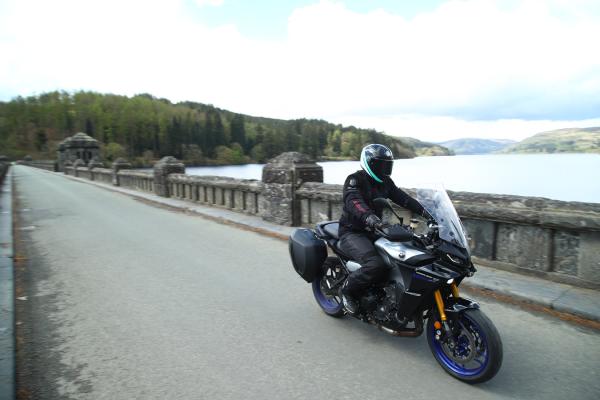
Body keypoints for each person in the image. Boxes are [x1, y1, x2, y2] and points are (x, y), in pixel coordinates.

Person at [338, 143, 431, 314]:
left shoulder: (385, 182)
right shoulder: (355, 180)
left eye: (387, 165)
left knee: (403, 256)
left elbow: (403, 199)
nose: (384, 168)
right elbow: (354, 202)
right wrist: (371, 218)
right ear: (370, 163)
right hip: (352, 232)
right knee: (375, 265)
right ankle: (347, 291)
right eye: (381, 164)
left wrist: (427, 213)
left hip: (375, 231)